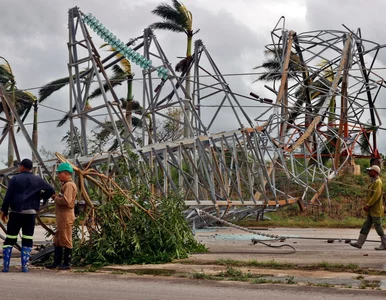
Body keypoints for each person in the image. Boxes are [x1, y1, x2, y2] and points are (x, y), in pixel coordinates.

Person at [0, 158, 55, 272]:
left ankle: (6, 267)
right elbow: (51, 189)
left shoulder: (15, 179)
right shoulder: (37, 180)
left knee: (10, 237)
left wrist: (4, 211)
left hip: (16, 212)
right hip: (30, 214)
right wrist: (42, 197)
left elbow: (8, 196)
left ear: (22, 167)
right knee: (27, 237)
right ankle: (24, 267)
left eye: (20, 166)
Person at [46, 162, 77, 270]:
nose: (58, 175)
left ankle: (67, 263)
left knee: (66, 238)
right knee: (58, 239)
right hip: (62, 216)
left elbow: (67, 201)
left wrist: (56, 198)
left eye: (59, 173)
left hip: (66, 215)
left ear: (66, 173)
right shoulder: (66, 184)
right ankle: (56, 262)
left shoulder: (69, 185)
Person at [350, 165, 386, 250]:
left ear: (375, 172)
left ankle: (385, 243)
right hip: (371, 210)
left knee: (378, 226)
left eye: (370, 171)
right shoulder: (373, 181)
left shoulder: (378, 182)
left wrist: (368, 205)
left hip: (375, 209)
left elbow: (376, 196)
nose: (368, 172)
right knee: (366, 225)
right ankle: (359, 243)